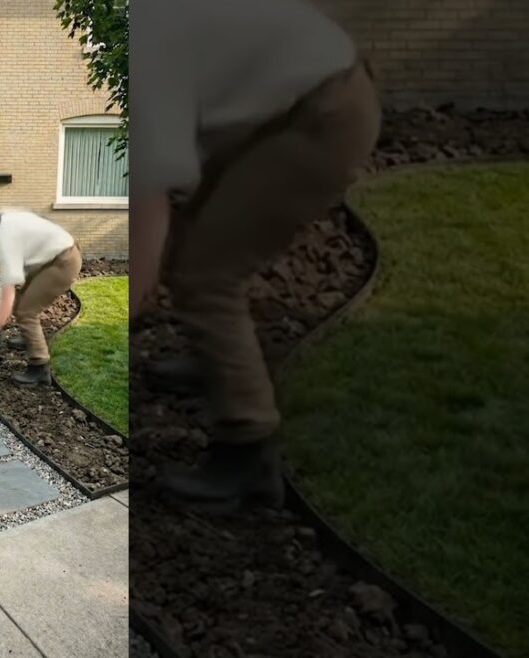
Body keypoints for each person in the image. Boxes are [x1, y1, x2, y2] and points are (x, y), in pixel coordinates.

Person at [130, 0, 381, 507]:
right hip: (285, 103)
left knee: (207, 276)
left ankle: (247, 451)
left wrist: (122, 321)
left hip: (319, 115)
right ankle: (217, 361)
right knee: (200, 235)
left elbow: (149, 209)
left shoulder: (150, 46)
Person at [0, 204, 81, 386]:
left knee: (27, 312)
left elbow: (8, 295)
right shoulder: (1, 218)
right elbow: (1, 254)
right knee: (22, 304)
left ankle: (39, 367)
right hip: (51, 256)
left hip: (63, 262)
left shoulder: (4, 239)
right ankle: (29, 339)